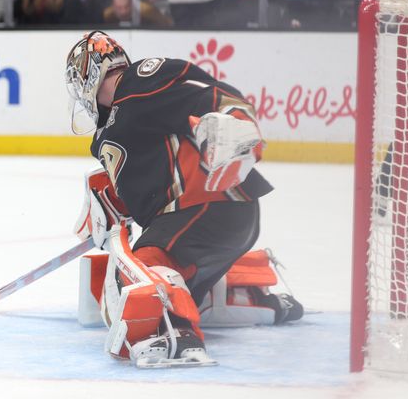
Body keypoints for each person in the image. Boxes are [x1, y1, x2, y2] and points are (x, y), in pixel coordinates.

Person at [64, 31, 300, 367]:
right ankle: (251, 298)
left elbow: (212, 95)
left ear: (89, 71)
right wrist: (107, 206)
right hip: (203, 224)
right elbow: (145, 182)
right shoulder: (108, 131)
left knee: (136, 274)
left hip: (207, 205)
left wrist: (237, 123)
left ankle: (175, 332)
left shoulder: (139, 80)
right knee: (135, 277)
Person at [101, 0, 172, 26]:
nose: (123, 12)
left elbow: (167, 24)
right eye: (119, 8)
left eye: (126, 7)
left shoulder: (148, 12)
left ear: (132, 4)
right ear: (113, 6)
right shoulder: (106, 16)